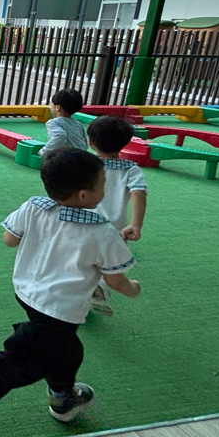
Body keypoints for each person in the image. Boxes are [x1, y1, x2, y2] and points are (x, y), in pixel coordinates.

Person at [0, 149, 141, 424]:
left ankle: (62, 398)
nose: (105, 189)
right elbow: (115, 280)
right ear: (83, 195)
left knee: (64, 352)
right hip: (59, 307)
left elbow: (9, 239)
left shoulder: (35, 206)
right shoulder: (102, 232)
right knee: (40, 354)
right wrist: (133, 288)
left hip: (27, 292)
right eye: (102, 184)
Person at [87, 115, 148, 316]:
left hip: (82, 224)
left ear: (91, 142)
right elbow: (139, 193)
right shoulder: (131, 169)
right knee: (109, 264)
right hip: (114, 229)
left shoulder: (86, 164)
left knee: (82, 260)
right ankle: (101, 288)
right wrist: (135, 224)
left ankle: (84, 291)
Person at [41, 88, 88, 158]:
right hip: (82, 157)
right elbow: (85, 144)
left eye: (51, 104)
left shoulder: (53, 123)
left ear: (57, 107)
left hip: (66, 159)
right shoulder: (78, 124)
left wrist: (44, 152)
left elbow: (60, 135)